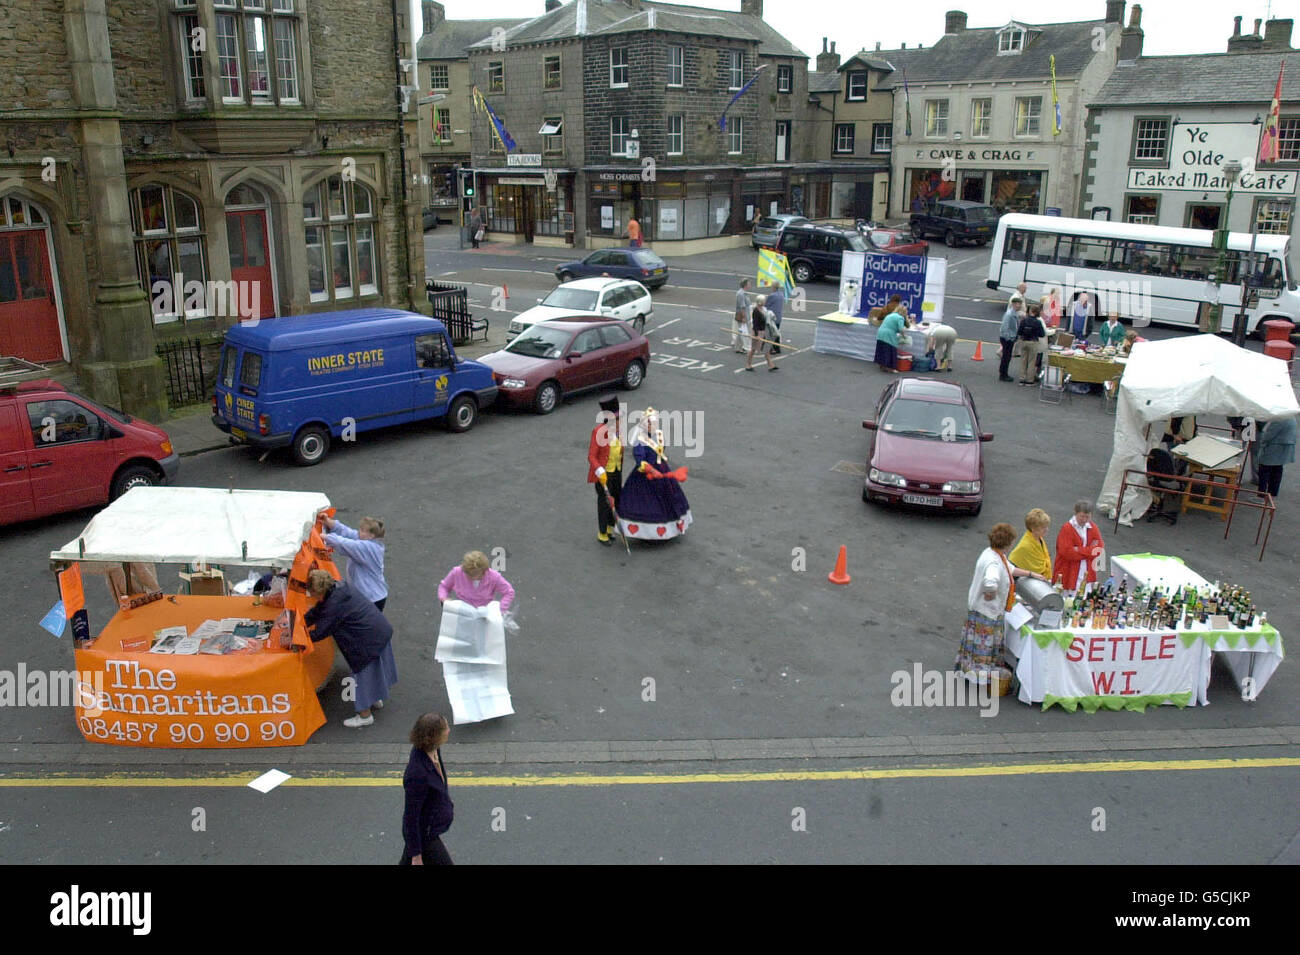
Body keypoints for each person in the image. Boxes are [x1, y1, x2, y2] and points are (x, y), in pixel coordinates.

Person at [304, 570, 397, 727]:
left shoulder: (333, 604)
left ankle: (365, 715)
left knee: (362, 675)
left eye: (313, 594)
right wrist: (302, 621)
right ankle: (375, 697)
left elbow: (321, 630)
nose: (313, 598)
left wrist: (300, 638)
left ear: (319, 591)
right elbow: (320, 609)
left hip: (365, 641)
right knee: (374, 671)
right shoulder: (339, 588)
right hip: (377, 631)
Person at [955, 523, 1017, 686]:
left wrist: (1032, 574)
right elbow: (991, 581)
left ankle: (969, 672)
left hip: (979, 610)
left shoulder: (992, 554)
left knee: (973, 646)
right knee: (982, 647)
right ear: (1007, 542)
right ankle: (978, 677)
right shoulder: (994, 563)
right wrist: (991, 593)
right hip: (986, 612)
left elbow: (1010, 569)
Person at [617, 407, 692, 540]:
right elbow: (640, 460)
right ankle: (648, 532)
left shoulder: (659, 435)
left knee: (668, 497)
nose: (652, 425)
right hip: (646, 475)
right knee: (647, 502)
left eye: (654, 423)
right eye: (649, 423)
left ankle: (669, 528)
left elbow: (661, 451)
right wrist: (651, 470)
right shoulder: (639, 440)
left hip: (661, 468)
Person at [400, 713, 454, 865]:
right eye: (446, 729)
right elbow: (410, 818)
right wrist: (416, 855)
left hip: (429, 830)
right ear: (434, 737)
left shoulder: (433, 749)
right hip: (426, 835)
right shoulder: (417, 774)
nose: (449, 730)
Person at [321, 514, 388, 611]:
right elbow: (348, 533)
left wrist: (324, 537)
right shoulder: (367, 541)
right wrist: (329, 522)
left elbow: (345, 543)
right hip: (370, 596)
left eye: (362, 530)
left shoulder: (368, 548)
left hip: (371, 598)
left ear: (371, 535)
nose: (358, 532)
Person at [587, 395, 624, 546]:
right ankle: (602, 533)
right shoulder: (598, 432)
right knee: (604, 503)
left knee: (615, 500)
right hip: (604, 474)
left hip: (616, 472)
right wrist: (600, 470)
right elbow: (591, 456)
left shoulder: (619, 432)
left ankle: (610, 528)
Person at [1053, 501, 1105, 594]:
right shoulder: (1067, 528)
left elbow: (1099, 549)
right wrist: (1089, 551)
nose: (1084, 519)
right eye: (1082, 516)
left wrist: (1078, 549)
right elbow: (1067, 553)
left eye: (1087, 517)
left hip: (1086, 572)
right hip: (1068, 572)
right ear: (1076, 513)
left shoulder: (1093, 528)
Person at [438, 550, 515, 611]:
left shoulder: (494, 577)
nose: (470, 576)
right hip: (462, 611)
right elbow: (444, 586)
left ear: (484, 570)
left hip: (484, 613)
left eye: (474, 574)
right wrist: (443, 598)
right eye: (467, 573)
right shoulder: (457, 572)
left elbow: (509, 592)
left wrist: (500, 610)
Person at [1256, 415, 1297, 498]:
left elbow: (1270, 433)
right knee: (1277, 470)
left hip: (1274, 447)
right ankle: (1272, 493)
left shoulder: (1280, 418)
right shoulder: (1291, 417)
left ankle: (1261, 494)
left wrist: (1262, 441)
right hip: (1284, 446)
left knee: (1264, 470)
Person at [1009, 509, 1053, 582]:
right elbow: (1011, 565)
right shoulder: (1025, 545)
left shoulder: (1039, 538)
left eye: (1046, 526)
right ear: (1033, 529)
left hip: (1039, 580)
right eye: (1043, 527)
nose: (1046, 530)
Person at [1017, 303, 1047, 385]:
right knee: (1031, 362)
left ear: (1030, 311)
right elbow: (1042, 334)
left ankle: (1022, 378)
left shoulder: (1024, 320)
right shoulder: (1037, 322)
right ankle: (1029, 380)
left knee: (1023, 360)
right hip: (1033, 342)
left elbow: (1019, 332)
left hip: (1024, 341)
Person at [746, 295, 777, 372]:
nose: (765, 301)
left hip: (763, 331)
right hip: (757, 332)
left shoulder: (763, 309)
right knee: (753, 349)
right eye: (764, 300)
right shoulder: (756, 311)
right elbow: (755, 324)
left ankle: (770, 365)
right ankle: (748, 364)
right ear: (761, 302)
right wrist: (756, 335)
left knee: (766, 348)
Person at [875, 303, 907, 374]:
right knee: (891, 350)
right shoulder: (900, 318)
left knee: (882, 349)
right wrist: (905, 336)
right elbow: (901, 329)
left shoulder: (889, 315)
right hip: (888, 335)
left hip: (880, 333)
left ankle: (882, 365)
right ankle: (891, 368)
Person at [998, 295, 1023, 382]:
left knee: (1007, 356)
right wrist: (1010, 338)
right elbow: (1005, 327)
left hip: (1009, 338)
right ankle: (1003, 374)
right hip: (1007, 338)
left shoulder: (1013, 313)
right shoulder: (1010, 314)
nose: (1019, 306)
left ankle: (1004, 373)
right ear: (1013, 304)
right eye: (1017, 304)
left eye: (1020, 304)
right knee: (1006, 357)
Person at [762, 282, 785, 355]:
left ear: (774, 287)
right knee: (776, 332)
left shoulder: (772, 296)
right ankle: (777, 348)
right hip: (778, 316)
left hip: (772, 317)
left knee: (770, 333)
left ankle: (771, 349)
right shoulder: (781, 294)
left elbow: (766, 305)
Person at [733, 278, 752, 353]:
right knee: (744, 331)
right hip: (743, 315)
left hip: (745, 314)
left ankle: (738, 347)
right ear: (745, 285)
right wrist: (744, 317)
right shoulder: (741, 294)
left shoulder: (744, 293)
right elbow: (742, 306)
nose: (750, 285)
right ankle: (744, 347)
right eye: (749, 284)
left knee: (741, 331)